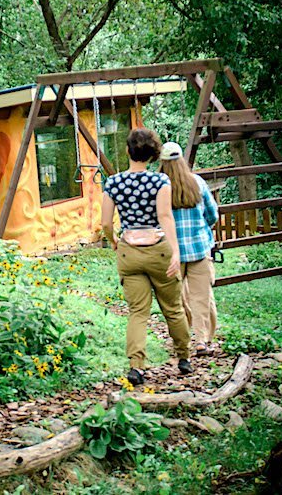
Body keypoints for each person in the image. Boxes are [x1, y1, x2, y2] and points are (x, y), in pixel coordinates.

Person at [101, 128, 192, 387]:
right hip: (158, 250)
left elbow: (106, 222)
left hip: (129, 250)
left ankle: (136, 367)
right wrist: (175, 251)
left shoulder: (114, 183)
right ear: (153, 155)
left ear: (128, 151)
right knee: (172, 308)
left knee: (138, 313)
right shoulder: (161, 182)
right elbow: (165, 217)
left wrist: (114, 241)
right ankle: (184, 357)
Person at [158, 141, 219, 356]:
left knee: (176, 300)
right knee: (202, 297)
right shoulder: (198, 183)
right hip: (199, 249)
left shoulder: (159, 186)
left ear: (162, 162)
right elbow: (213, 215)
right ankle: (203, 341)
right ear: (182, 160)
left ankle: (181, 342)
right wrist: (201, 230)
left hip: (172, 253)